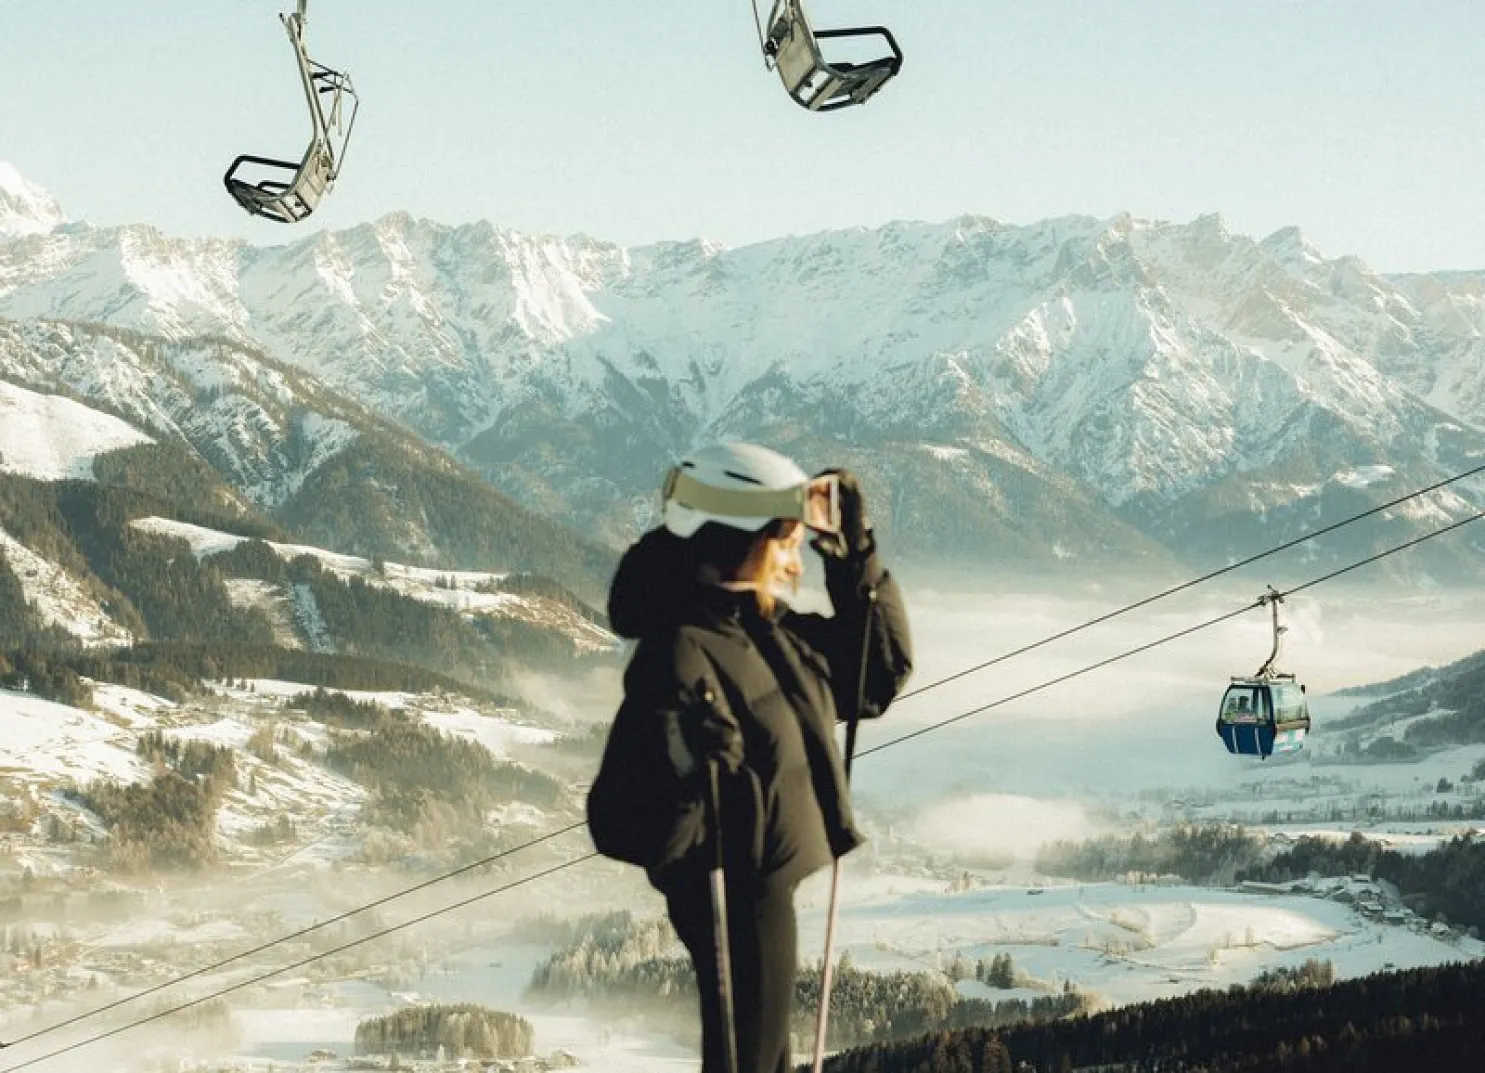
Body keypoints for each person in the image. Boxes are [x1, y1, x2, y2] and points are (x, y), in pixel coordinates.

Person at [586, 442, 913, 1073]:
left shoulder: (764, 629)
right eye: (785, 538)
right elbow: (621, 825)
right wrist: (687, 770)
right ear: (739, 539)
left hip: (765, 886)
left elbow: (875, 676)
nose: (795, 557)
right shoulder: (679, 651)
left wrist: (855, 558)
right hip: (732, 894)